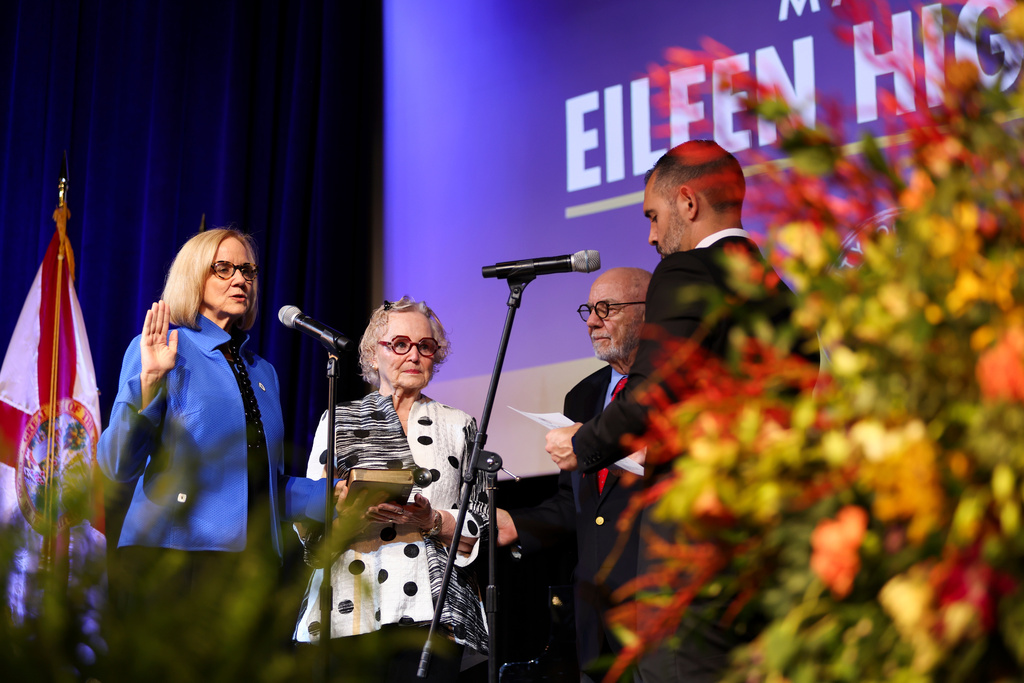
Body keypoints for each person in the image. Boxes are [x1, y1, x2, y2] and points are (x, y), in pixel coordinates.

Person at [545, 140, 818, 682]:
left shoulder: (686, 271)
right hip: (766, 547)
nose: (650, 234)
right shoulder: (783, 295)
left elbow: (651, 394)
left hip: (692, 548)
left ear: (687, 203)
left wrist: (582, 445)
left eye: (653, 214)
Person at [97, 229, 342, 645]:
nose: (240, 279)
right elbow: (117, 465)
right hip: (172, 561)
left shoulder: (263, 372)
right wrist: (150, 382)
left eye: (248, 270)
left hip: (250, 567)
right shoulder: (160, 348)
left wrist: (331, 497)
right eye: (224, 268)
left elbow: (263, 485)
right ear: (195, 277)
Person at [293, 297, 488, 682]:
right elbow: (307, 519)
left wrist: (432, 520)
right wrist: (341, 508)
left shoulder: (459, 424)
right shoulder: (339, 419)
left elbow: (479, 518)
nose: (414, 355)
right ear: (372, 352)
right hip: (350, 607)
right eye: (400, 344)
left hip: (433, 612)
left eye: (425, 346)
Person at [496, 267, 651, 682]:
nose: (592, 320)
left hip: (656, 601)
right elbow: (576, 504)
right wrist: (517, 524)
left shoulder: (669, 386)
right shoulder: (582, 394)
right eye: (589, 309)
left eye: (607, 308)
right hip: (593, 614)